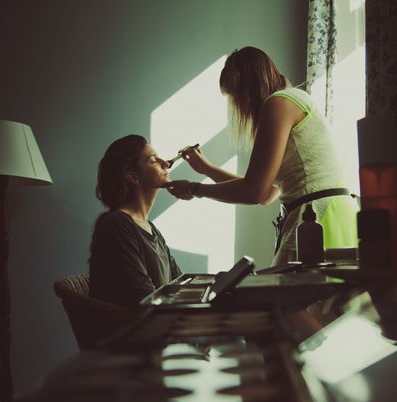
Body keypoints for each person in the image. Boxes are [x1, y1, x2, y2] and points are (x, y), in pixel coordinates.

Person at [166, 46, 358, 265]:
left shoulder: (279, 103)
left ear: (247, 88)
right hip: (337, 215)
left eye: (235, 97)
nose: (238, 107)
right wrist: (207, 169)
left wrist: (194, 189)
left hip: (315, 220)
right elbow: (266, 193)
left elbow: (254, 192)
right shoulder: (297, 101)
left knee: (296, 297)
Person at [89, 134, 182, 307]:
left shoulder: (150, 228)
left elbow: (179, 284)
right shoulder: (117, 225)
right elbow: (145, 299)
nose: (166, 163)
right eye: (153, 160)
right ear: (133, 177)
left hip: (160, 326)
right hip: (135, 331)